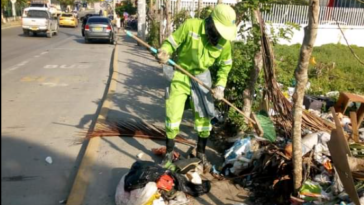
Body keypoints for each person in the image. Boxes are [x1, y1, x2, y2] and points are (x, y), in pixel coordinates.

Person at [156, 4, 237, 169]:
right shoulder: (191, 25)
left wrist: (220, 86)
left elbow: (225, 66)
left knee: (204, 118)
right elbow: (172, 42)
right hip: (181, 73)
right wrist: (164, 51)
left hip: (202, 78)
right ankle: (169, 153)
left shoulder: (224, 44)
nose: (220, 35)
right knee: (173, 114)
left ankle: (200, 153)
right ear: (212, 23)